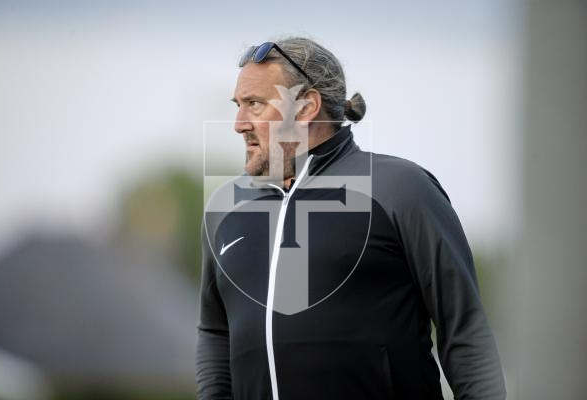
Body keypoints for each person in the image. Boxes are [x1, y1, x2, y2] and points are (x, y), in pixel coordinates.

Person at [196, 37, 506, 400]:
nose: (238, 123)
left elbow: (463, 328)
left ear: (307, 107)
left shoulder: (400, 189)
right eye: (238, 105)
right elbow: (215, 332)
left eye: (255, 104)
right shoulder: (226, 207)